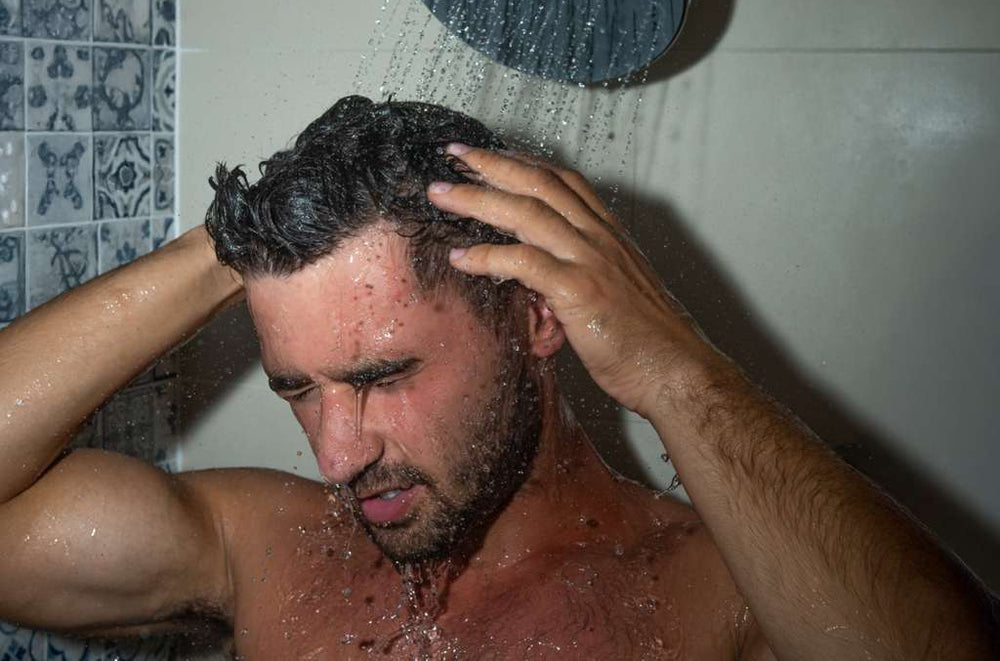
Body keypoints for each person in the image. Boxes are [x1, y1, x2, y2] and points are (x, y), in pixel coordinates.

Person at [0, 96, 995, 660]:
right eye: (298, 388)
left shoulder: (716, 593)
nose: (337, 454)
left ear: (536, 318)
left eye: (382, 373)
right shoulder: (263, 547)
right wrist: (241, 242)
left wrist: (676, 372)